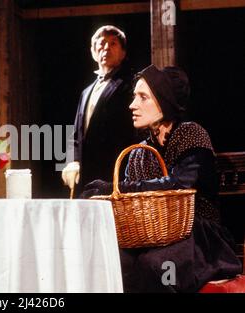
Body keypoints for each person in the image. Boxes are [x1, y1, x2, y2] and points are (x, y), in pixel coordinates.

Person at [83, 65, 242, 292]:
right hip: (152, 238)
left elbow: (178, 184)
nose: (132, 105)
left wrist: (116, 186)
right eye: (134, 96)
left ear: (165, 102)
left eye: (143, 97)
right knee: (113, 260)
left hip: (198, 236)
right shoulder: (140, 152)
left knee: (155, 266)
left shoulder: (191, 134)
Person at [62, 25, 136, 196]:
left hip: (112, 176)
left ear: (123, 52)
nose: (106, 48)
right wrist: (73, 162)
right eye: (101, 44)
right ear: (93, 52)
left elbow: (131, 133)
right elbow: (76, 135)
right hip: (85, 178)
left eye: (113, 43)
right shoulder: (86, 92)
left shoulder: (130, 85)